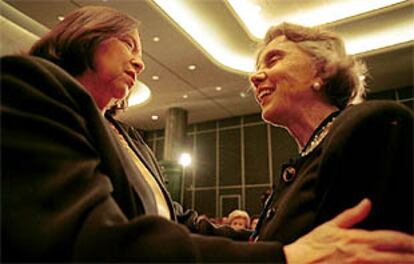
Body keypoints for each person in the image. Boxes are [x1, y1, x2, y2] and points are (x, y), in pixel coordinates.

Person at [2, 6, 414, 263]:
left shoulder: (132, 139)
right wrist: (279, 257)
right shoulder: (29, 85)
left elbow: (173, 218)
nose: (141, 64)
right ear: (85, 37)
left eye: (273, 59)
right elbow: (86, 242)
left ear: (323, 72)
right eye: (129, 44)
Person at [249, 22, 413, 248]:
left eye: (274, 59)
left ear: (321, 69)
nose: (254, 77)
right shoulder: (302, 163)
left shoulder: (370, 126)